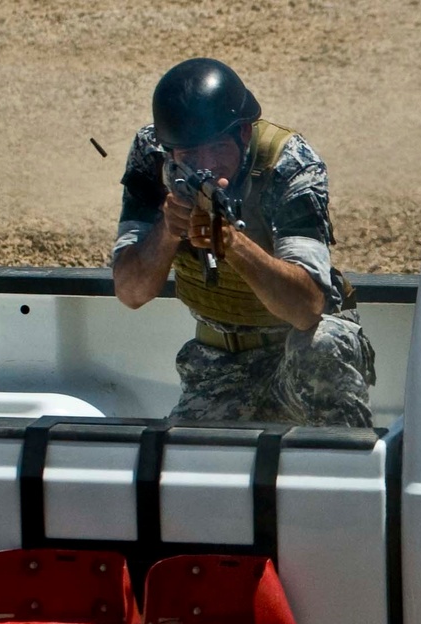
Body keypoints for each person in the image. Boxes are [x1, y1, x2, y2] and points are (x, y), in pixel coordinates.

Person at [112, 57, 375, 427]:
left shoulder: (289, 162)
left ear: (245, 134)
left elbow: (307, 308)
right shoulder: (152, 154)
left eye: (218, 148)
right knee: (189, 469)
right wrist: (168, 230)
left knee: (323, 343)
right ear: (170, 151)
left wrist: (234, 243)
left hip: (298, 348)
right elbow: (130, 291)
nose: (208, 165)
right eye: (190, 155)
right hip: (219, 362)